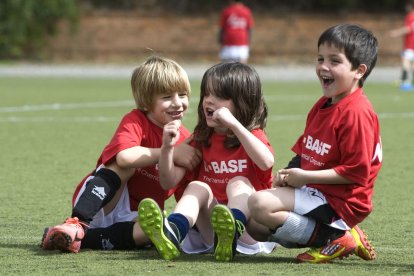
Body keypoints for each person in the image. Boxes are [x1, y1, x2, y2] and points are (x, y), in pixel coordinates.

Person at [247, 23, 383, 264]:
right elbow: (305, 149)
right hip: (317, 191)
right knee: (255, 226)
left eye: (334, 61)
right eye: (320, 58)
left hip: (341, 201)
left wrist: (306, 178)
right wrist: (288, 174)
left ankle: (339, 237)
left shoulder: (357, 112)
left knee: (259, 204)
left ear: (359, 71)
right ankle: (337, 236)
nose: (323, 67)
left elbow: (357, 172)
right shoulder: (323, 104)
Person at [40, 56, 201, 253]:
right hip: (104, 203)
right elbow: (124, 156)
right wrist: (170, 152)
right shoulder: (136, 120)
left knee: (156, 227)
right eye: (167, 97)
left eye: (183, 95)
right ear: (146, 102)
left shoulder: (185, 140)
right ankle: (77, 224)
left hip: (137, 214)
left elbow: (181, 191)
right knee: (123, 167)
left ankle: (82, 240)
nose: (178, 103)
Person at [137, 61, 276, 261]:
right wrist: (167, 148)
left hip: (249, 232)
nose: (209, 101)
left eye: (219, 96)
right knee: (197, 186)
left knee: (238, 182)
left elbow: (266, 162)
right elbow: (168, 183)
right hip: (212, 231)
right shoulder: (201, 137)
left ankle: (232, 229)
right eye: (207, 94)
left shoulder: (252, 135)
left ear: (242, 101)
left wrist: (234, 124)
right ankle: (173, 231)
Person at [389, 0, 414, 91]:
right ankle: (408, 82)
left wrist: (396, 33)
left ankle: (406, 83)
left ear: (410, 6)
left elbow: (408, 29)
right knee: (411, 64)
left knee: (405, 62)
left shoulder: (411, 16)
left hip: (410, 44)